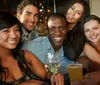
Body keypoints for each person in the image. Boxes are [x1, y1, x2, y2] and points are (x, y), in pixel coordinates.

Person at [0, 11, 63, 85]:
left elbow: (46, 75)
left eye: (16, 30)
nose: (14, 35)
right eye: (6, 31)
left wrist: (54, 76)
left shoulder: (25, 56)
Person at [23, 13, 76, 85]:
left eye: (61, 28)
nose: (58, 32)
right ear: (47, 30)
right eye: (52, 28)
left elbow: (85, 61)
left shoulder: (72, 46)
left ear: (66, 29)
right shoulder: (31, 47)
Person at [72, 15, 100, 85]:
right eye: (87, 30)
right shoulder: (85, 46)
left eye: (95, 28)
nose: (92, 33)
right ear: (84, 34)